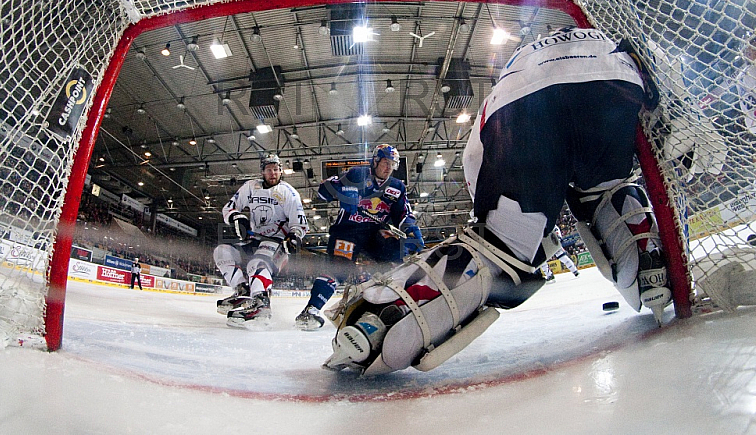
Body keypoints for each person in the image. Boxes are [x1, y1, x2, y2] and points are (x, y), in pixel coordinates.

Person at [322, 27, 672, 375]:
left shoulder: (515, 72)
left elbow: (476, 160)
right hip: (614, 76)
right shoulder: (599, 35)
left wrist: (504, 234)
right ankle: (651, 275)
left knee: (499, 250)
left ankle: (378, 324)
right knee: (606, 190)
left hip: (521, 100)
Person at [294, 144, 424, 331]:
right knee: (340, 268)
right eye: (385, 162)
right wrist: (342, 192)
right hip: (348, 231)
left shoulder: (397, 187)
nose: (388, 168)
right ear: (375, 161)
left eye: (393, 164)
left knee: (398, 262)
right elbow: (323, 192)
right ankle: (311, 310)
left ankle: (398, 308)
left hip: (375, 233)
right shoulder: (357, 174)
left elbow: (403, 215)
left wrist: (411, 230)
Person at [213, 154, 308, 327]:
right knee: (222, 251)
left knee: (257, 263)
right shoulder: (251, 187)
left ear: (281, 171)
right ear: (262, 171)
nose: (273, 173)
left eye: (276, 169)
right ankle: (243, 290)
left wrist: (294, 237)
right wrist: (236, 218)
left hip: (278, 243)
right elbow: (229, 208)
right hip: (255, 239)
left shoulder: (289, 193)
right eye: (269, 169)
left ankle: (261, 303)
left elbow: (300, 224)